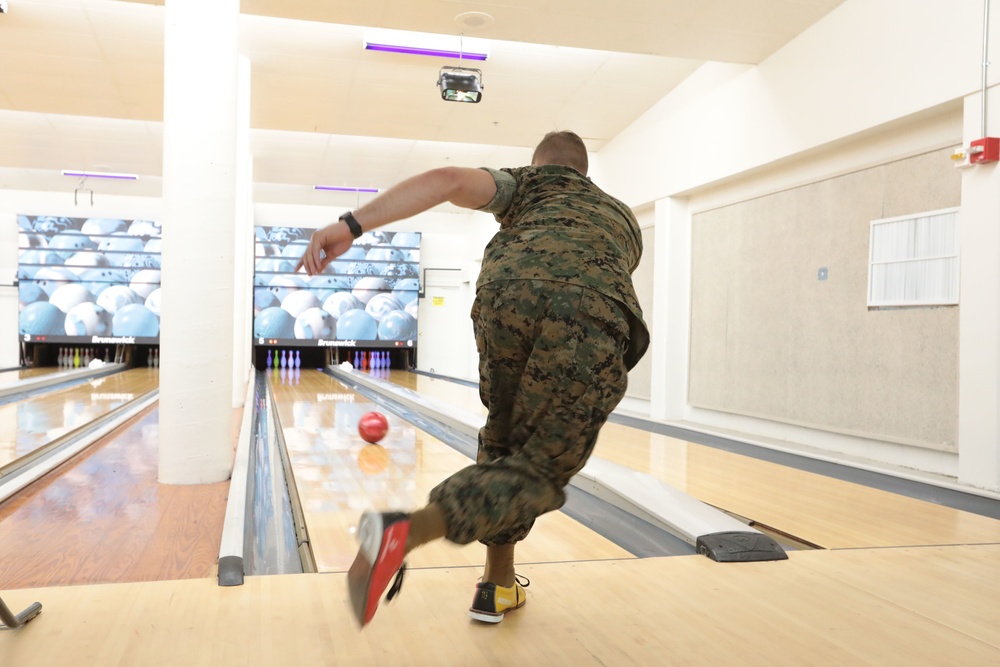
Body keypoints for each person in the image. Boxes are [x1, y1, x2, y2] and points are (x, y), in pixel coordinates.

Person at [296, 130, 649, 628]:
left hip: (502, 291)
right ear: (584, 173)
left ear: (537, 163)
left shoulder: (525, 186)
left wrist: (350, 225)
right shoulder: (620, 215)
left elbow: (447, 180)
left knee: (504, 438)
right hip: (589, 302)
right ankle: (407, 531)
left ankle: (497, 584)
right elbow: (607, 275)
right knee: (542, 464)